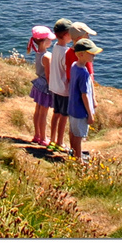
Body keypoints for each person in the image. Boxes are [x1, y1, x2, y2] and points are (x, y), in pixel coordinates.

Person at [67, 38, 103, 163]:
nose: (94, 55)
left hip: (72, 107)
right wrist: (90, 113)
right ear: (81, 54)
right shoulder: (83, 73)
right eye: (91, 53)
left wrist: (94, 98)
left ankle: (73, 153)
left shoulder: (74, 66)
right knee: (78, 136)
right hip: (80, 110)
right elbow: (84, 94)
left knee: (73, 132)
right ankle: (78, 159)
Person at [45, 18, 75, 153]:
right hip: (64, 89)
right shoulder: (65, 52)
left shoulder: (56, 47)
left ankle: (51, 140)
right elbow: (66, 68)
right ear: (66, 35)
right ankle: (60, 142)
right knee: (64, 115)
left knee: (56, 113)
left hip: (54, 86)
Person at [25, 24, 56, 147]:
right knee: (43, 113)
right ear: (43, 42)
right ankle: (43, 138)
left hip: (38, 84)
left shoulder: (38, 53)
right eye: (49, 39)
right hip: (46, 86)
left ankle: (37, 135)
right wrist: (53, 88)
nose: (51, 41)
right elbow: (49, 76)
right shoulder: (47, 56)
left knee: (37, 111)